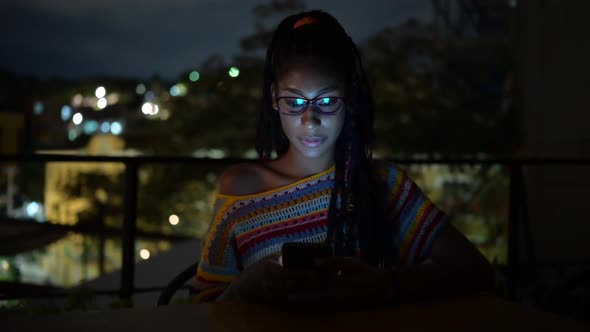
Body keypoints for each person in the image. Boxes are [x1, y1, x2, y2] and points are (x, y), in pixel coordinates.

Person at [191, 10, 493, 307]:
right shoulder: (242, 190)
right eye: (295, 101)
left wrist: (386, 285)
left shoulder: (382, 185)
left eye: (327, 101)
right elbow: (203, 305)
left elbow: (475, 271)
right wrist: (245, 287)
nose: (310, 120)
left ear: (349, 100)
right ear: (274, 99)